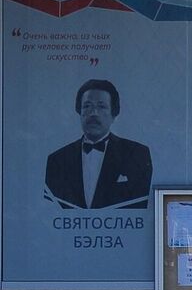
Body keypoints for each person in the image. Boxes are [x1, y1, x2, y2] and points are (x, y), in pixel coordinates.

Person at [43, 78, 152, 209]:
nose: (94, 113)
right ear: (79, 111)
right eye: (87, 106)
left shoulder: (137, 154)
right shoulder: (57, 160)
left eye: (101, 106)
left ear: (114, 113)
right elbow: (50, 211)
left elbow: (139, 208)